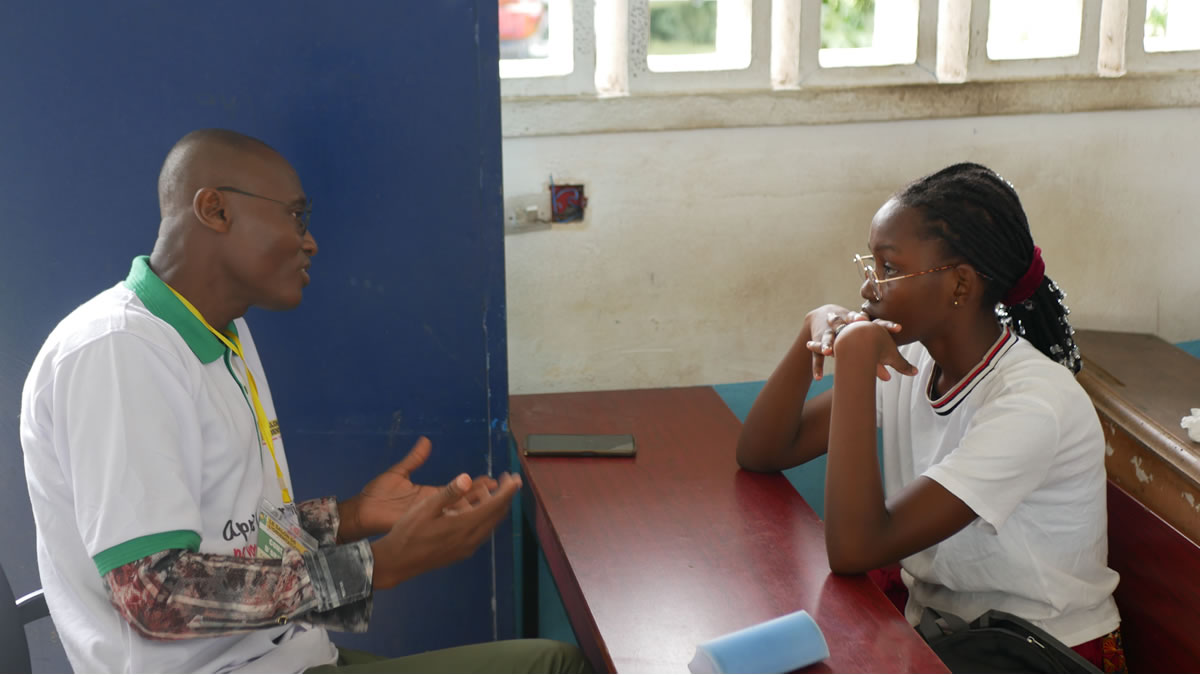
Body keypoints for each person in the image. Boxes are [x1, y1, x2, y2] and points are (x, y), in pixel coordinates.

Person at [19, 129, 588, 674]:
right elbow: (155, 595)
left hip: (289, 657)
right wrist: (377, 565)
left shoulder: (224, 334)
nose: (309, 240)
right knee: (555, 666)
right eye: (296, 216)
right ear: (215, 210)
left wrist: (352, 517)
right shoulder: (117, 351)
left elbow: (235, 540)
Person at [735, 163, 1126, 672]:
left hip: (1036, 650)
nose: (869, 290)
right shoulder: (915, 359)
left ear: (959, 284)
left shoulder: (1031, 403)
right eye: (871, 265)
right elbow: (764, 451)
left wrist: (854, 360)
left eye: (889, 268)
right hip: (946, 631)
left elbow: (855, 548)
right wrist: (811, 327)